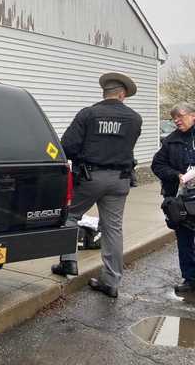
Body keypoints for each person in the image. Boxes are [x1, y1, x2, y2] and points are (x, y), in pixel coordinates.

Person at [51, 72, 142, 298]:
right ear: (122, 94)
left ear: (105, 93)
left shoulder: (88, 114)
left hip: (90, 178)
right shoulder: (135, 119)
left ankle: (69, 263)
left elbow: (67, 146)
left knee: (70, 216)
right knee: (113, 228)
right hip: (120, 179)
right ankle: (111, 282)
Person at [151, 102, 195, 293]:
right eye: (174, 117)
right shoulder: (170, 141)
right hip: (180, 201)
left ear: (193, 115)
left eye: (181, 116)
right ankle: (190, 278)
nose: (177, 120)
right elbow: (157, 165)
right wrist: (175, 175)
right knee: (184, 239)